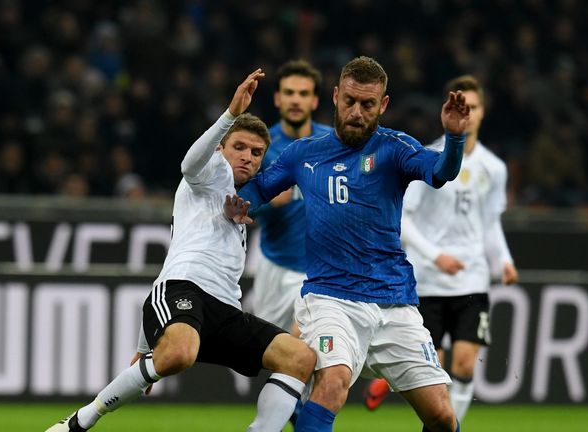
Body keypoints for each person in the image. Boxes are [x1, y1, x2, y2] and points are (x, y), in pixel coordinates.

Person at [45, 69, 316, 432]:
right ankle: (80, 421)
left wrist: (145, 349)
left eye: (256, 153)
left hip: (224, 309)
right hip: (183, 290)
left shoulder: (243, 201)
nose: (248, 157)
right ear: (222, 147)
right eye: (239, 147)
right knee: (180, 354)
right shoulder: (208, 173)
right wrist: (230, 115)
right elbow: (189, 164)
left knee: (299, 358)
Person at [228, 56, 469, 432]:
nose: (357, 112)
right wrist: (237, 205)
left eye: (368, 104)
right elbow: (259, 188)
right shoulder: (302, 154)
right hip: (331, 298)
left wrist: (454, 138)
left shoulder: (395, 148)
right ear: (336, 97)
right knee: (333, 381)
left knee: (441, 415)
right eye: (350, 102)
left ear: (383, 105)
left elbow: (440, 172)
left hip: (393, 299)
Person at [363, 75, 519, 423]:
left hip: (473, 279)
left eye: (475, 106)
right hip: (429, 279)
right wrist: (436, 256)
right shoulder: (428, 157)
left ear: (482, 112)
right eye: (464, 104)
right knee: (429, 368)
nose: (470, 112)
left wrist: (503, 261)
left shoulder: (495, 169)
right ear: (449, 109)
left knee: (464, 362)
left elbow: (490, 221)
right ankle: (386, 381)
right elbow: (403, 220)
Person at [250, 59, 332, 334]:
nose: (296, 100)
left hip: (320, 270)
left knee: (308, 345)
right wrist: (268, 202)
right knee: (274, 355)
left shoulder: (334, 145)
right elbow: (241, 209)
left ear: (314, 100)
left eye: (303, 93)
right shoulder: (259, 147)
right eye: (289, 93)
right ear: (277, 98)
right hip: (275, 265)